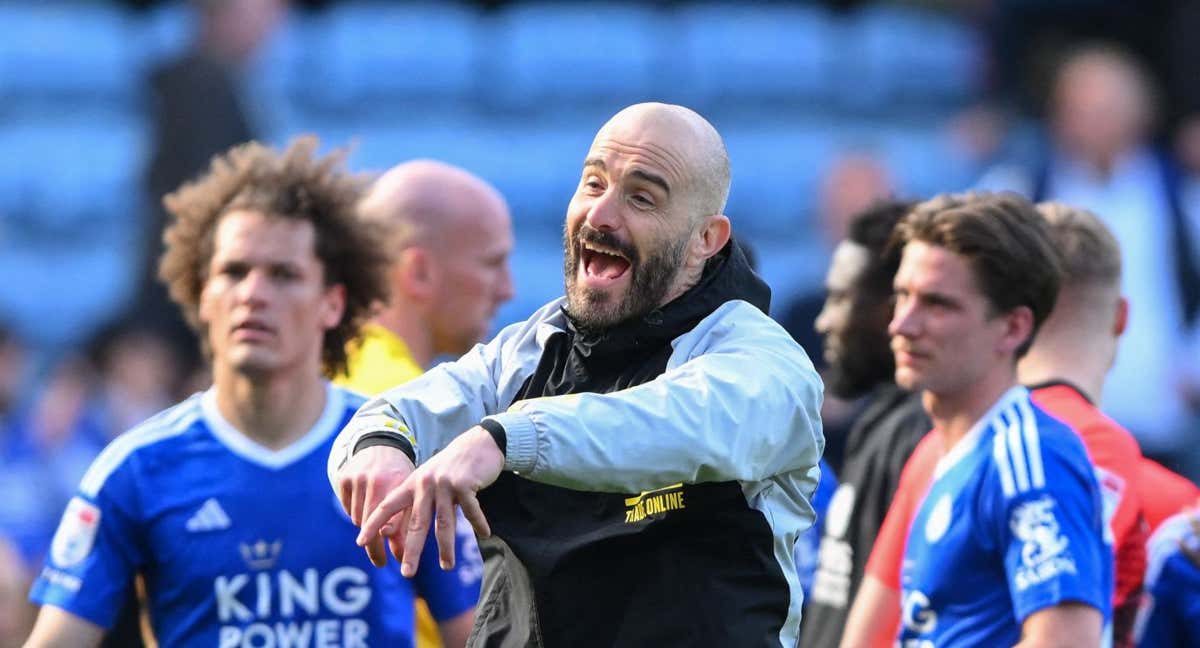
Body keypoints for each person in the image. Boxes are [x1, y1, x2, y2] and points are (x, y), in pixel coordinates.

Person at [330, 102, 824, 647]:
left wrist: (504, 437)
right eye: (593, 184)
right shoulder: (530, 349)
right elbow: (394, 411)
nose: (601, 215)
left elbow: (666, 422)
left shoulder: (764, 364)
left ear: (706, 239)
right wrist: (378, 444)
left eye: (641, 197)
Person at [22, 137, 476, 647]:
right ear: (203, 296)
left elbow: (476, 633)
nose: (253, 294)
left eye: (283, 274)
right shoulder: (134, 470)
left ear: (332, 303)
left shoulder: (395, 458)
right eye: (234, 272)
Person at [844, 201, 1155, 647]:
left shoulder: (1034, 458)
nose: (902, 323)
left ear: (1013, 329)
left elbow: (1066, 642)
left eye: (937, 303)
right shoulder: (946, 453)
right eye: (902, 295)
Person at [978, 45, 1200, 466]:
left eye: (1111, 109)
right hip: (1049, 421)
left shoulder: (1180, 194)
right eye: (1085, 109)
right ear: (1059, 116)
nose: (1098, 122)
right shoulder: (1018, 189)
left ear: (1141, 116)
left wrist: (1194, 365)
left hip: (1158, 417)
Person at [337, 160, 515, 648]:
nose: (508, 289)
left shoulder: (312, 384)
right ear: (417, 271)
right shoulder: (417, 420)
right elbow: (479, 618)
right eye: (492, 262)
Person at [799, 200, 931, 647]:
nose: (824, 321)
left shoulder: (918, 436)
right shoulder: (883, 423)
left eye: (840, 298)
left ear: (889, 309)